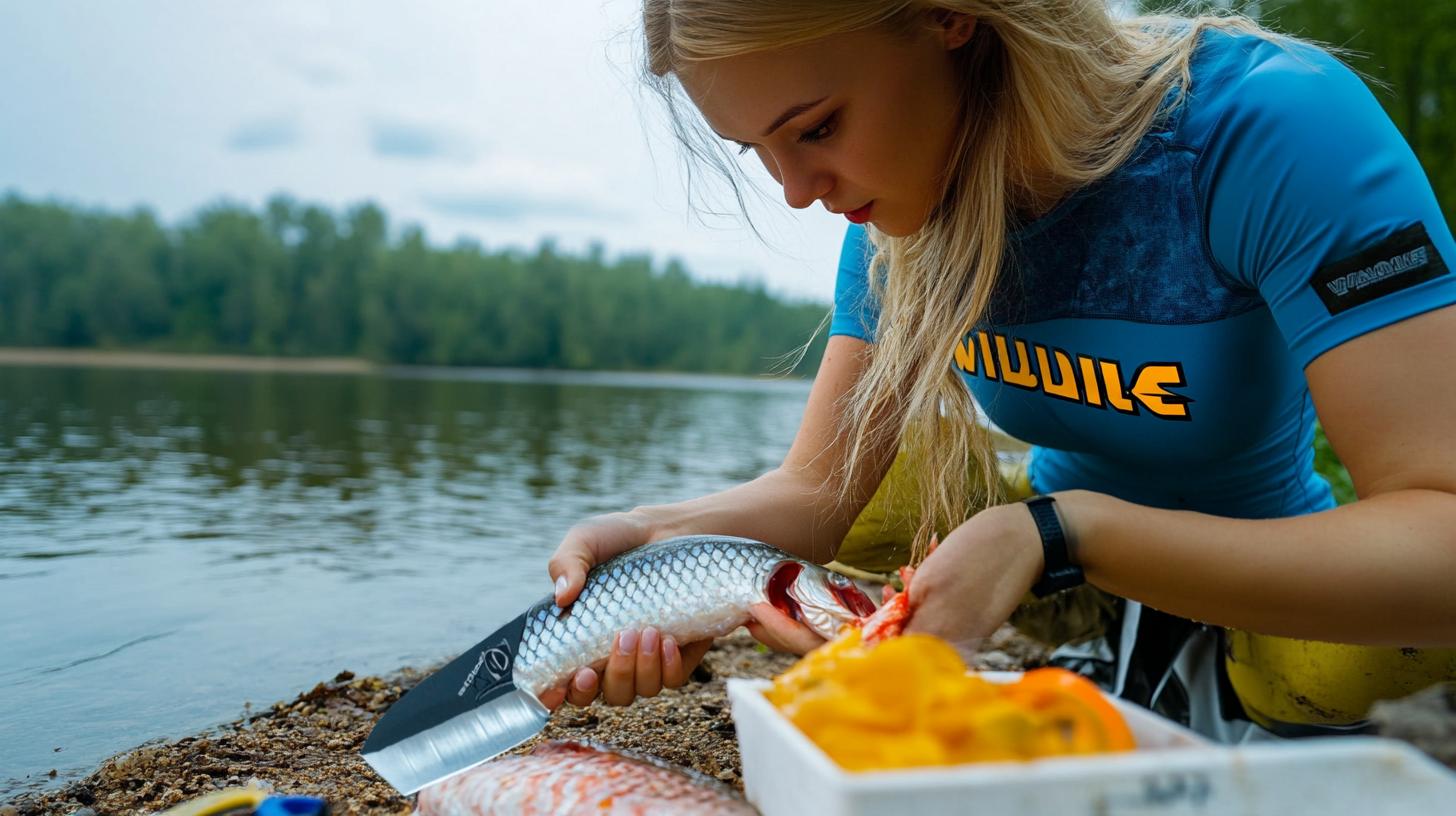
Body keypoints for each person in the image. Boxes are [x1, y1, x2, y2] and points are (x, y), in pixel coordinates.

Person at [539, 0, 1456, 741]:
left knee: (1369, 655)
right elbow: (815, 497)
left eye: (816, 127)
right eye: (759, 150)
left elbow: (1444, 539)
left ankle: (1224, 677)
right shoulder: (894, 204)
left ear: (951, 17)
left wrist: (1059, 533)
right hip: (1059, 579)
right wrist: (652, 534)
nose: (796, 190)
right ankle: (1097, 639)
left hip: (1258, 566)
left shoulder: (1269, 129)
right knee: (891, 485)